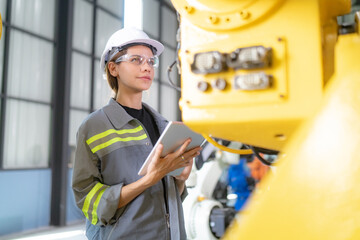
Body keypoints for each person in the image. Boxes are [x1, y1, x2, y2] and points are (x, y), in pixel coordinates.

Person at [72, 27, 201, 240]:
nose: (147, 67)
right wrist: (149, 179)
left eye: (151, 62)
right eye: (136, 60)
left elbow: (166, 200)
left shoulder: (163, 125)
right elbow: (88, 202)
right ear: (113, 68)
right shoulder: (94, 127)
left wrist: (180, 179)